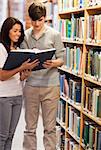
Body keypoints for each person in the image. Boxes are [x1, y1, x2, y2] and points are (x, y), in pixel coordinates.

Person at [20, 2, 64, 150]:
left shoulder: (55, 34)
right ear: (30, 18)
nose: (36, 23)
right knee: (30, 128)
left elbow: (62, 59)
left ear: (44, 18)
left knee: (50, 128)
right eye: (33, 20)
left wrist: (53, 63)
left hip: (50, 86)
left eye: (40, 20)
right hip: (31, 85)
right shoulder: (25, 35)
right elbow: (22, 60)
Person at [0, 17, 39, 150]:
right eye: (15, 30)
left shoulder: (16, 49)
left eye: (20, 31)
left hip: (17, 95)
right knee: (2, 136)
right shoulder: (1, 49)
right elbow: (2, 76)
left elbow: (18, 77)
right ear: (7, 31)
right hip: (4, 97)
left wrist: (25, 74)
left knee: (11, 135)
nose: (18, 34)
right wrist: (21, 68)